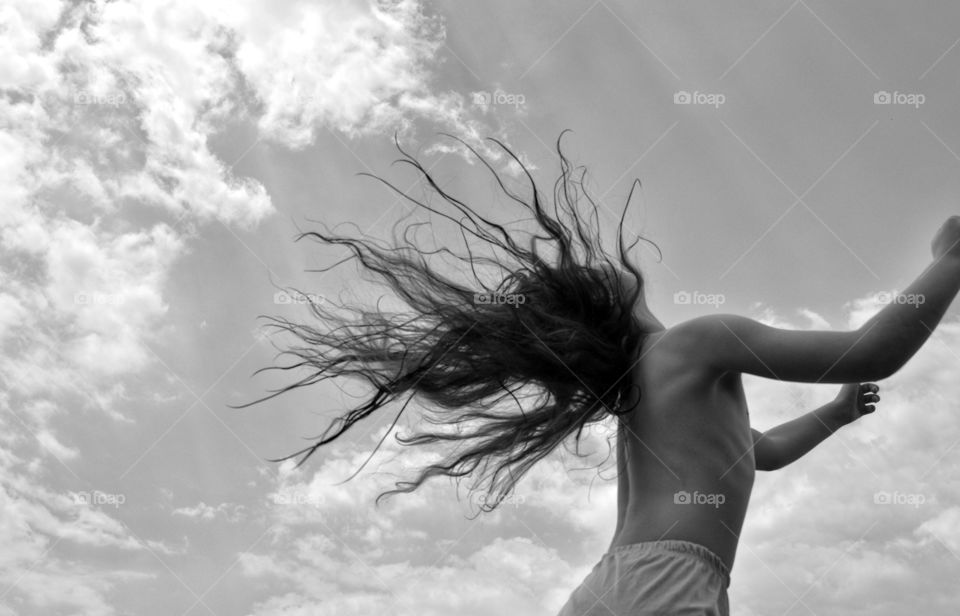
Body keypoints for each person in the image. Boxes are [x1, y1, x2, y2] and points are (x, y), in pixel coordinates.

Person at [243, 132, 960, 615]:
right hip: (669, 580)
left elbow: (758, 454)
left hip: (607, 588)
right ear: (610, 301)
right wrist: (949, 260)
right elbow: (871, 350)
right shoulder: (697, 341)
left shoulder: (642, 392)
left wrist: (832, 416)